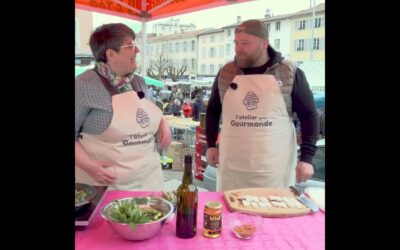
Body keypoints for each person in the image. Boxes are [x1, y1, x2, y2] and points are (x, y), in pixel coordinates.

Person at [205, 19, 319, 191]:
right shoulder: (226, 73)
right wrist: (211, 145)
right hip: (233, 168)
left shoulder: (288, 72)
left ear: (264, 43)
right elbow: (213, 111)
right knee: (232, 214)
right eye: (236, 43)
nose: (238, 48)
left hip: (273, 169)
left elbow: (309, 115)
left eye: (245, 43)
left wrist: (307, 158)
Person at [75, 23, 172, 191]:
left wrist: (163, 123)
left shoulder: (139, 82)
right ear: (111, 54)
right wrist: (89, 165)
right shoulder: (83, 86)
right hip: (106, 187)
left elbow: (146, 113)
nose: (137, 50)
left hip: (149, 183)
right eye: (131, 45)